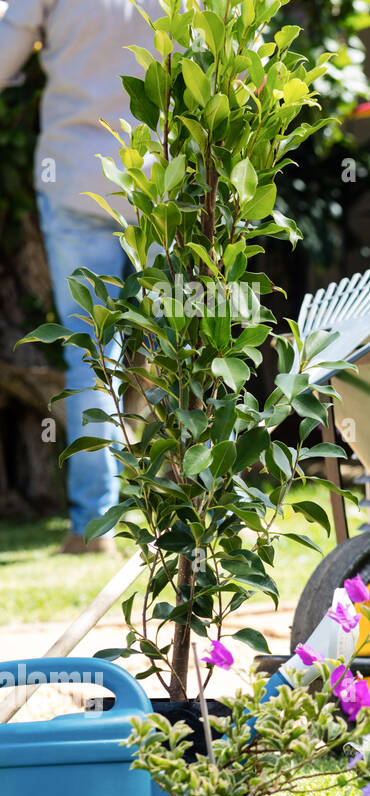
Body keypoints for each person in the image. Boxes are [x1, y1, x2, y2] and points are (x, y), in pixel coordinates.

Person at [0, 0, 152, 554]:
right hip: (164, 181)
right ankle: (199, 514)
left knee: (91, 352)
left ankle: (95, 526)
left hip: (73, 179)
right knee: (191, 345)